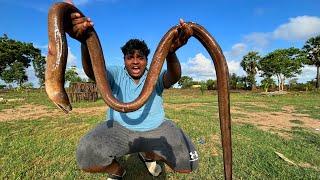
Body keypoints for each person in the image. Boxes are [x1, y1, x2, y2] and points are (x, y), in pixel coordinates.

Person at [68, 3, 199, 180]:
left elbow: (173, 77)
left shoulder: (155, 72)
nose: (135, 62)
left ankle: (148, 155)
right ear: (124, 60)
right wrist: (85, 42)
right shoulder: (115, 73)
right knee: (86, 154)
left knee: (188, 163)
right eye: (130, 57)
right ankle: (117, 172)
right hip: (119, 129)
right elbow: (93, 71)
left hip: (156, 127)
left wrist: (171, 53)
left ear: (147, 60)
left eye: (140, 57)